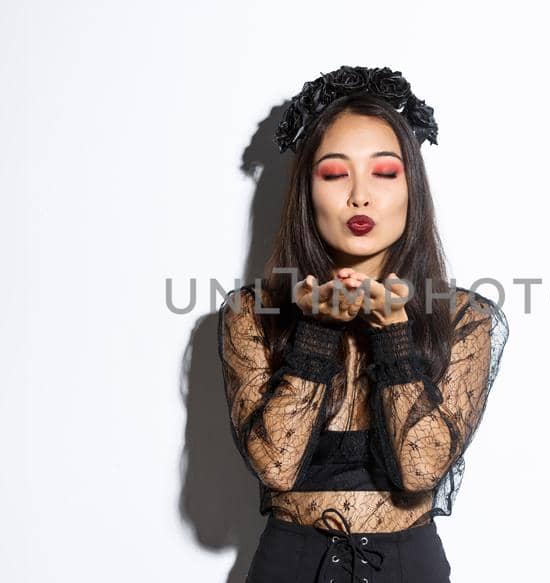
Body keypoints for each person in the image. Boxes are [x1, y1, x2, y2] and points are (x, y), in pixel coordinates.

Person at [218, 66, 508, 583]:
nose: (360, 196)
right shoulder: (252, 314)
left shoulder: (464, 317)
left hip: (407, 566)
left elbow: (421, 473)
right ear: (307, 191)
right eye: (334, 173)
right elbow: (276, 468)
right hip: (291, 565)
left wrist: (394, 335)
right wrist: (317, 331)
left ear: (411, 188)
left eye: (384, 172)